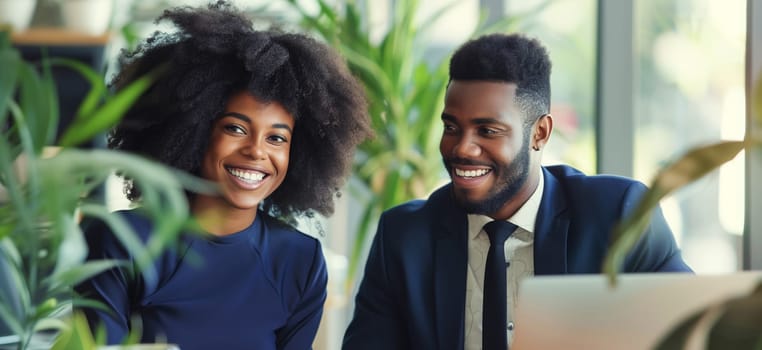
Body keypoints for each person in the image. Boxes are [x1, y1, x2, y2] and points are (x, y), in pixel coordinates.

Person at [342, 33, 692, 350]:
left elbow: (698, 329)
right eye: (452, 127)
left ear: (539, 133)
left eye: (488, 130)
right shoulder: (404, 238)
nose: (462, 148)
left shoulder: (619, 215)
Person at [74, 2, 372, 349]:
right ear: (194, 132)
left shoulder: (299, 263)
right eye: (235, 128)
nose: (257, 151)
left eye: (277, 138)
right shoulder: (120, 240)